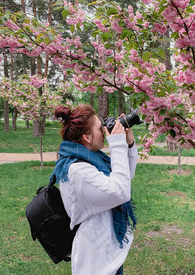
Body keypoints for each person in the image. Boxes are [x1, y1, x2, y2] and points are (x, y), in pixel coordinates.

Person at [51, 104, 137, 275]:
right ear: (87, 138)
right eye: (100, 128)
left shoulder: (93, 159)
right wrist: (117, 145)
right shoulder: (78, 171)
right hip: (96, 265)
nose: (105, 131)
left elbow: (125, 177)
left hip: (110, 255)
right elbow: (120, 191)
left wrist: (127, 144)